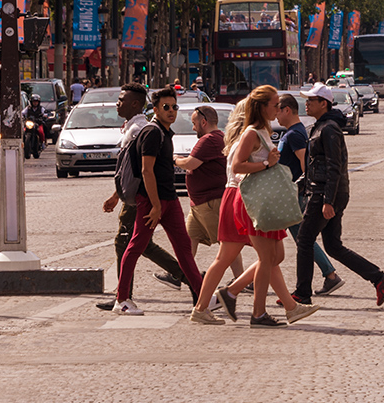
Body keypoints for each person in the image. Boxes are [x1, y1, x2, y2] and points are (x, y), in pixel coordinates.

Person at [192, 85, 318, 327]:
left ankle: (234, 298)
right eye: (274, 104)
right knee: (259, 256)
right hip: (249, 198)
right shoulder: (253, 133)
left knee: (269, 256)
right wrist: (267, 165)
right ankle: (254, 310)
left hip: (253, 197)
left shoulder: (260, 131)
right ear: (262, 107)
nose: (278, 109)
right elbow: (238, 167)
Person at [293, 84, 384, 306]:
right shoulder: (321, 126)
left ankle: (302, 293)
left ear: (324, 104)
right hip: (325, 191)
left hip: (326, 193)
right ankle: (378, 278)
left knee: (304, 239)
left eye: (312, 100)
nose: (307, 103)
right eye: (306, 100)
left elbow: (334, 166)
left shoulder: (329, 129)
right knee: (333, 246)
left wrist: (328, 201)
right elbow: (315, 165)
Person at [110, 88, 204, 315]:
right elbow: (146, 171)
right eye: (166, 107)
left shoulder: (165, 132)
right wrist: (155, 205)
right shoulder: (151, 132)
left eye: (175, 107)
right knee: (135, 246)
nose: (171, 111)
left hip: (169, 198)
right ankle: (122, 299)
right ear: (155, 109)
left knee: (183, 249)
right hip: (151, 201)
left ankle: (203, 297)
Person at [275, 94, 342, 297]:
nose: (275, 116)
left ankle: (329, 275)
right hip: (291, 192)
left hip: (293, 194)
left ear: (287, 110)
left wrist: (305, 189)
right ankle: (329, 275)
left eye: (277, 110)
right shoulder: (295, 132)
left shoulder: (294, 135)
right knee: (300, 237)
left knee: (290, 237)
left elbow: (307, 164)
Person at [173, 105, 244, 286]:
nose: (193, 127)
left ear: (203, 122)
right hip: (199, 203)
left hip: (210, 202)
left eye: (194, 123)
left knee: (227, 244)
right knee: (188, 241)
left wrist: (174, 159)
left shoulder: (210, 140)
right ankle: (179, 275)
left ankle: (242, 280)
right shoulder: (214, 138)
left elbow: (191, 164)